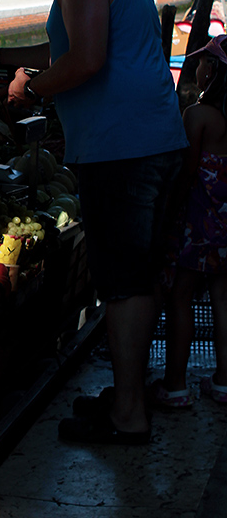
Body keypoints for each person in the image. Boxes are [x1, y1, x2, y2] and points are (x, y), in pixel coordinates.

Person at [0, 0, 188, 444]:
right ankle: (129, 393)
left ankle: (128, 415)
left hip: (120, 149)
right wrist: (6, 60)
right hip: (154, 141)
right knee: (137, 276)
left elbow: (86, 61)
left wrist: (32, 92)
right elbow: (76, 49)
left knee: (122, 283)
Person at [153, 35, 227, 406]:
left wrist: (168, 214)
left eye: (201, 62)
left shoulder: (197, 116)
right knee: (223, 296)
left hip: (198, 224)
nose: (197, 67)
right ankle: (225, 381)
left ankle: (176, 384)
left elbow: (186, 171)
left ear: (211, 70)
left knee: (180, 295)